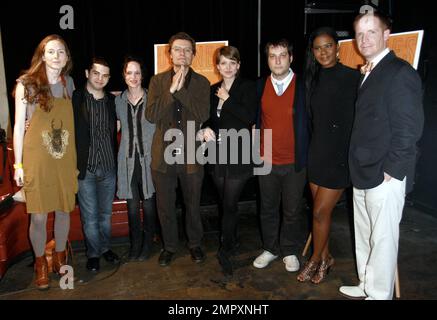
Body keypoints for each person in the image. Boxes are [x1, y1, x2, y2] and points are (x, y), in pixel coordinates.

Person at [339, 12, 424, 300]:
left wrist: (393, 170)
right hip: (362, 169)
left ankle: (379, 295)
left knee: (383, 240)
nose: (364, 39)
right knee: (364, 236)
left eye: (371, 32)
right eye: (359, 34)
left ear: (386, 35)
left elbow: (409, 128)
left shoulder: (400, 72)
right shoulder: (370, 70)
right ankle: (366, 284)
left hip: (385, 174)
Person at [13, 34, 77, 289]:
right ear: (42, 55)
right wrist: (18, 166)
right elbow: (19, 127)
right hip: (36, 158)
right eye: (51, 51)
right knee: (38, 216)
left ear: (67, 57)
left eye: (61, 52)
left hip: (63, 157)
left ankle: (59, 257)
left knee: (64, 209)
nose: (57, 56)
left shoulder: (69, 83)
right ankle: (40, 263)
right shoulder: (26, 84)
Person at [296, 27, 360, 284]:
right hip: (318, 151)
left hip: (340, 155)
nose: (323, 52)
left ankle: (315, 260)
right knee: (320, 212)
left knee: (321, 212)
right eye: (318, 48)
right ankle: (327, 256)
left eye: (328, 46)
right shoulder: (312, 78)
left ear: (338, 47)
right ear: (312, 52)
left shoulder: (353, 77)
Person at [145, 32, 210, 266]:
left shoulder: (202, 83)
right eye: (177, 49)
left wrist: (179, 90)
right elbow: (151, 115)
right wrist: (170, 90)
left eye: (187, 50)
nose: (182, 54)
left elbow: (203, 114)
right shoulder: (157, 82)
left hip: (192, 154)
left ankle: (195, 244)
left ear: (193, 55)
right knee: (165, 205)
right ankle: (169, 246)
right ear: (169, 54)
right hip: (163, 155)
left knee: (193, 203)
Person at [198, 46, 257, 275]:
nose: (228, 67)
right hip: (217, 154)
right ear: (217, 66)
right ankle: (231, 238)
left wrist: (229, 99)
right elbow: (210, 121)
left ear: (238, 65)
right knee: (224, 203)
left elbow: (249, 117)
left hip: (239, 155)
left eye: (232, 62)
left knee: (230, 203)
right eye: (223, 63)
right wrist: (204, 130)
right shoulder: (213, 90)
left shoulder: (247, 87)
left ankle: (226, 249)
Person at [252, 39, 309, 273]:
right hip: (266, 160)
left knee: (292, 210)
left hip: (295, 162)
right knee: (267, 208)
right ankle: (270, 248)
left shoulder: (305, 85)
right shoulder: (259, 85)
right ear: (267, 60)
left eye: (282, 55)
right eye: (272, 56)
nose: (277, 60)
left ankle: (289, 250)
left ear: (291, 58)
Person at [72, 57, 120, 272]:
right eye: (96, 73)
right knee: (89, 218)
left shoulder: (112, 101)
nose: (100, 78)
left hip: (109, 167)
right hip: (85, 169)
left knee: (105, 215)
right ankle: (93, 254)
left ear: (109, 78)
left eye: (105, 75)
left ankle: (105, 248)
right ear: (87, 73)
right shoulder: (76, 98)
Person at [116, 56, 157, 261]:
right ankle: (135, 245)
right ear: (124, 76)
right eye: (129, 72)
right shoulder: (118, 101)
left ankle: (148, 244)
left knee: (149, 205)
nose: (133, 77)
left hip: (148, 162)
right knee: (132, 207)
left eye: (137, 72)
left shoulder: (152, 99)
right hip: (127, 162)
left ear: (142, 75)